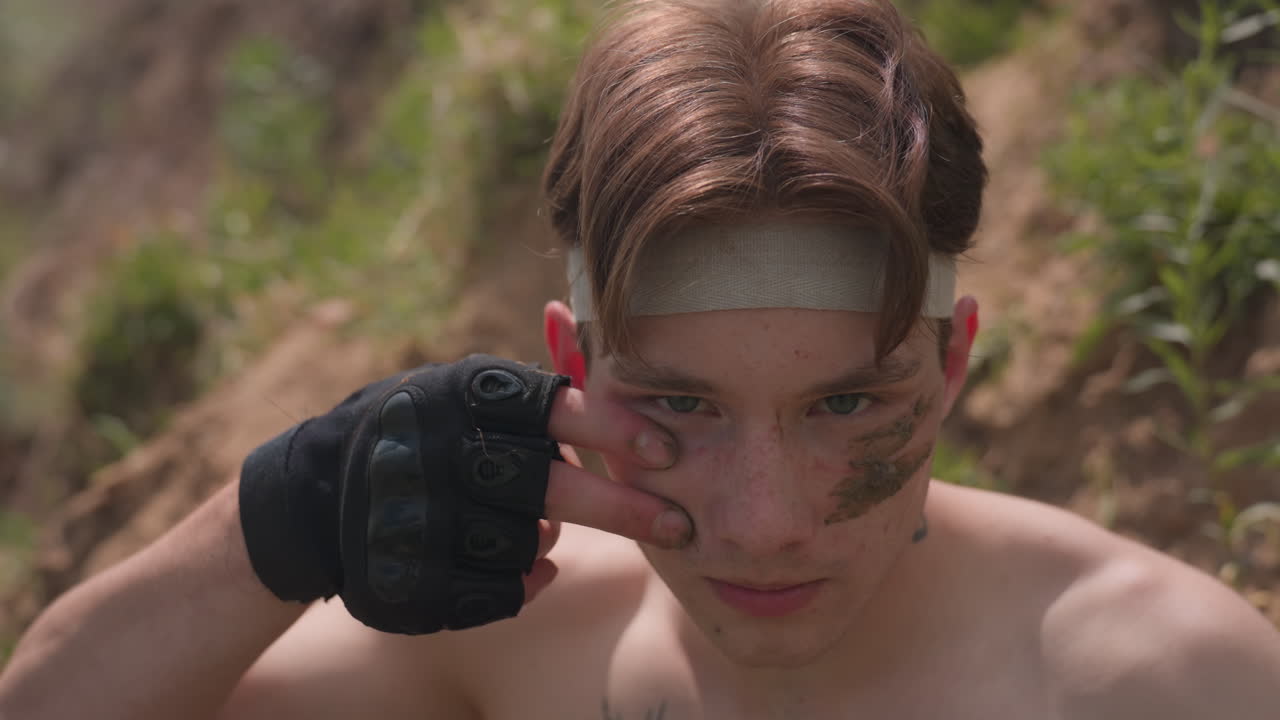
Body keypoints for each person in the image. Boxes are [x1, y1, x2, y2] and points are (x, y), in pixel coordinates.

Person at [3, 0, 1279, 717]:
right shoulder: (520, 635)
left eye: (845, 401)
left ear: (950, 371)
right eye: (680, 405)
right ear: (572, 369)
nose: (764, 523)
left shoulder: (1154, 681)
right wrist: (270, 522)